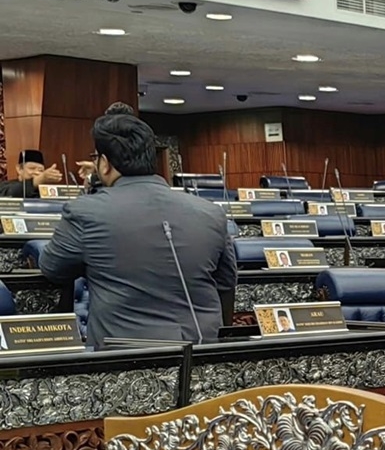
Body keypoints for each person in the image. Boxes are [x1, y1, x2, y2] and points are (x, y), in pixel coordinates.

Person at [39, 114, 237, 349]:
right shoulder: (210, 212)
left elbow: (53, 268)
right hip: (206, 356)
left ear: (104, 163)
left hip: (124, 366)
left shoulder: (86, 211)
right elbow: (225, 283)